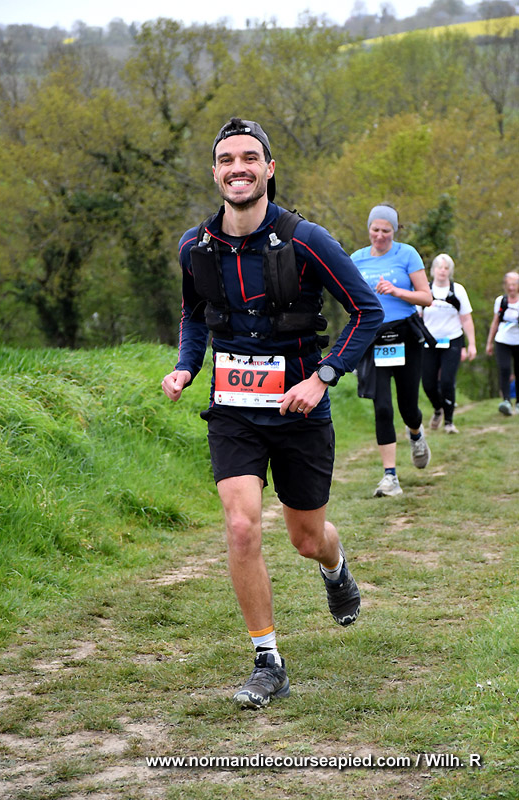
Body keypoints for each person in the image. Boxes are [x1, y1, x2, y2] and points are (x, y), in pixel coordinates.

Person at [161, 117, 384, 709]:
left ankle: (335, 567)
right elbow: (193, 315)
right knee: (241, 526)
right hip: (233, 408)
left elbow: (366, 312)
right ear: (215, 172)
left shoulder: (307, 240)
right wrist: (186, 367)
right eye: (227, 159)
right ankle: (268, 660)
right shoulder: (194, 246)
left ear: (268, 169)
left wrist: (324, 376)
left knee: (307, 538)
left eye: (249, 158)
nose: (238, 168)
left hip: (299, 407)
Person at [351, 204, 433, 498]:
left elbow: (426, 298)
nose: (380, 235)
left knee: (408, 406)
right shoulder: (356, 259)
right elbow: (349, 297)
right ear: (368, 229)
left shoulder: (407, 254)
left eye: (386, 230)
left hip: (405, 336)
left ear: (394, 231)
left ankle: (416, 434)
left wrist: (396, 291)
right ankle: (390, 477)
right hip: (374, 338)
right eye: (375, 229)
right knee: (382, 407)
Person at [420, 254, 477, 434]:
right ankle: (438, 409)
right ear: (433, 270)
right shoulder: (425, 289)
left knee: (447, 381)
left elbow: (466, 319)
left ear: (450, 271)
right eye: (439, 267)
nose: (442, 271)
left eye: (446, 268)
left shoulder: (457, 290)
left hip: (452, 340)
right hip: (429, 342)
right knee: (428, 384)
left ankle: (449, 422)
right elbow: (417, 317)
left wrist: (471, 344)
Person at [485, 271, 519, 416]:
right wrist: (489, 342)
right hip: (503, 340)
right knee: (504, 369)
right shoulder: (501, 301)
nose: (511, 288)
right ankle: (506, 401)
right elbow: (495, 321)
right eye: (509, 284)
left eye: (514, 284)